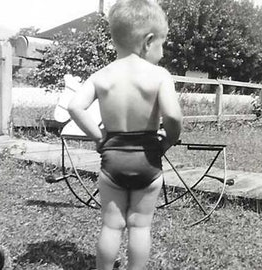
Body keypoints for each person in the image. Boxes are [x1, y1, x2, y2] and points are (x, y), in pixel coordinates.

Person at [68, 0, 182, 269]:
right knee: (139, 226)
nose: (163, 53)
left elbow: (75, 106)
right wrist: (168, 140)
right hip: (148, 161)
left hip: (113, 160)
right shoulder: (159, 75)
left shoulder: (101, 76)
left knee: (111, 225)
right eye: (161, 45)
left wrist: (99, 138)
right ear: (148, 41)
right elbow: (174, 117)